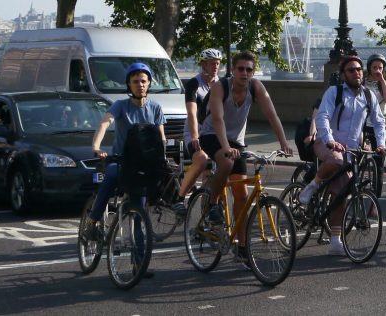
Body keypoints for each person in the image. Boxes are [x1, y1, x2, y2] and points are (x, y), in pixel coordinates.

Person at [199, 49, 291, 264]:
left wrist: (284, 143)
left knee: (241, 196)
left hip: (236, 141)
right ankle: (212, 204)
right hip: (212, 134)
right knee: (226, 160)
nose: (245, 73)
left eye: (249, 69)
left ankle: (242, 247)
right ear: (232, 70)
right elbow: (219, 120)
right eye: (240, 69)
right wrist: (225, 147)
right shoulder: (220, 87)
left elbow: (272, 114)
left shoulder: (256, 87)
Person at [299, 54, 386, 255]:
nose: (356, 73)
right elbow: (322, 116)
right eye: (351, 70)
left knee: (342, 195)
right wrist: (329, 139)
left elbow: (379, 121)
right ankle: (312, 186)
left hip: (350, 150)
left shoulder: (368, 96)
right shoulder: (335, 92)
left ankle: (335, 241)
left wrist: (380, 144)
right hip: (325, 143)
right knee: (335, 159)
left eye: (358, 69)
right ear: (343, 75)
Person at [87, 63, 166, 276]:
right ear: (129, 84)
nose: (140, 85)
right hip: (121, 161)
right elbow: (105, 123)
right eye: (135, 81)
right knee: (111, 175)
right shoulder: (121, 106)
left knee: (140, 217)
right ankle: (93, 222)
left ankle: (138, 263)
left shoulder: (155, 108)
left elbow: (161, 138)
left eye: (143, 81)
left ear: (149, 83)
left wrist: (164, 158)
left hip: (142, 166)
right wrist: (97, 146)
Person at [172, 47, 222, 216]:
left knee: (212, 175)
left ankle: (206, 217)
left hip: (213, 134)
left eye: (217, 63)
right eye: (211, 63)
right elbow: (192, 113)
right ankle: (179, 199)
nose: (215, 66)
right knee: (201, 160)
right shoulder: (195, 83)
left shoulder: (221, 85)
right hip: (194, 132)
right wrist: (194, 136)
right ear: (203, 65)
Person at [363, 53, 386, 197]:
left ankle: (375, 199)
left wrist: (381, 79)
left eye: (380, 68)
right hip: (364, 125)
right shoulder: (363, 83)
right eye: (374, 67)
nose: (377, 70)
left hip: (382, 126)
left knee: (378, 163)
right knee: (357, 159)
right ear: (369, 68)